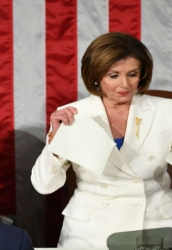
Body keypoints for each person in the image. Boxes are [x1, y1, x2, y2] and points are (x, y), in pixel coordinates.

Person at [31, 32, 172, 249]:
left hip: (153, 228)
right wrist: (56, 145)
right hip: (91, 234)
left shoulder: (166, 111)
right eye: (113, 75)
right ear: (96, 76)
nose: (124, 84)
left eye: (132, 74)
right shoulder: (73, 114)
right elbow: (43, 186)